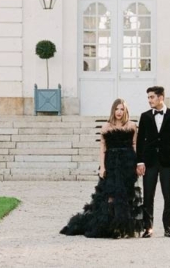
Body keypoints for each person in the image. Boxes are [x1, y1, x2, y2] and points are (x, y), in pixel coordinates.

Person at [60, 98, 144, 238]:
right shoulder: (106, 127)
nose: (119, 112)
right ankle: (111, 227)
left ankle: (122, 228)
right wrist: (102, 167)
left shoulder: (132, 126)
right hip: (111, 164)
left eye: (121, 109)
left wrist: (137, 163)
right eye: (116, 109)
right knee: (111, 196)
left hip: (127, 163)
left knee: (125, 195)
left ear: (125, 111)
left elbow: (135, 144)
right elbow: (102, 148)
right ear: (113, 110)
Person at [136, 85, 170, 238]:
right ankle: (148, 227)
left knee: (168, 196)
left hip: (167, 162)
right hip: (149, 162)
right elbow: (140, 141)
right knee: (148, 196)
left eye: (152, 97)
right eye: (148, 97)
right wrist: (140, 162)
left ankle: (168, 227)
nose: (149, 100)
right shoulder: (145, 116)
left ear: (160, 97)